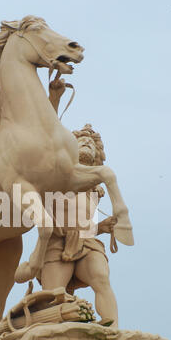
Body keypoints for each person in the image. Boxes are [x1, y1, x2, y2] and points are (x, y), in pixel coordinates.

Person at [38, 80, 119, 327]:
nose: (86, 143)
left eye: (91, 142)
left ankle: (112, 330)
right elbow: (46, 133)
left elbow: (84, 222)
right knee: (52, 298)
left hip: (87, 242)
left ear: (98, 154)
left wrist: (101, 227)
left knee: (101, 279)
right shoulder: (57, 172)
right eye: (80, 140)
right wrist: (55, 98)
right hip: (56, 242)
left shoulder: (94, 187)